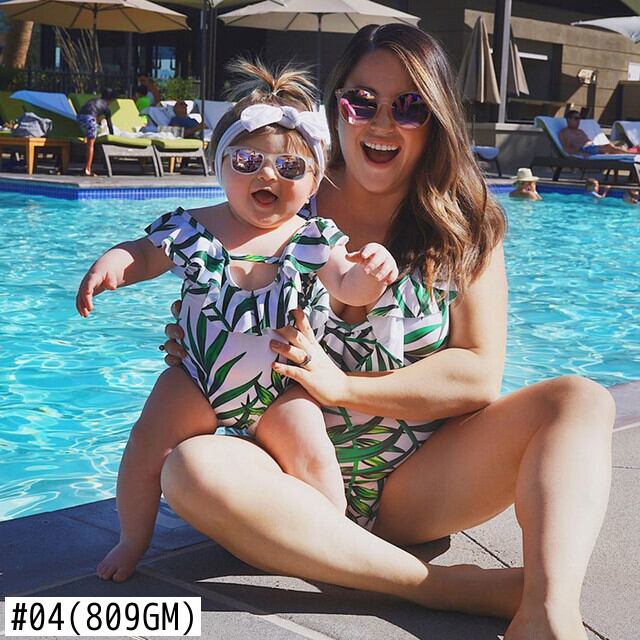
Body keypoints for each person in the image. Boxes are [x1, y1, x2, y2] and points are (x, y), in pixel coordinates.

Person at [159, 25, 614, 639]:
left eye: (408, 106)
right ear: (336, 108)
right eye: (362, 101)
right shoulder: (283, 197)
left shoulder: (466, 224)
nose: (381, 123)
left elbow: (478, 373)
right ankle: (443, 588)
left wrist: (343, 387)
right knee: (189, 469)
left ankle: (548, 610)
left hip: (420, 484)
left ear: (436, 119)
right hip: (284, 472)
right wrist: (202, 339)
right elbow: (214, 294)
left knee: (581, 400)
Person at [76, 61, 400, 583]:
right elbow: (144, 253)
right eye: (248, 161)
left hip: (280, 388)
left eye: (290, 167)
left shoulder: (312, 237)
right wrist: (114, 264)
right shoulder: (193, 228)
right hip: (197, 379)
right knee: (146, 444)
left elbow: (348, 285)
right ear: (220, 165)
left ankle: (336, 548)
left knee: (316, 461)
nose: (268, 175)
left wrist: (373, 272)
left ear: (314, 182)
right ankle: (132, 538)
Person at [559, 110, 636, 156]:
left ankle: (631, 153)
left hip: (593, 147)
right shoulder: (565, 132)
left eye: (579, 118)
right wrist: (580, 153)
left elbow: (588, 141)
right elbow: (566, 149)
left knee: (619, 145)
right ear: (568, 119)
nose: (578, 121)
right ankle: (632, 154)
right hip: (585, 149)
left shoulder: (580, 131)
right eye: (576, 118)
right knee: (610, 147)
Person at [76, 89, 116, 177]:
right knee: (91, 145)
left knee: (89, 142)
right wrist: (113, 136)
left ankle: (87, 167)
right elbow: (109, 124)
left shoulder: (94, 100)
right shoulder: (106, 108)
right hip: (89, 119)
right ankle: (87, 169)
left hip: (80, 117)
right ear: (111, 99)